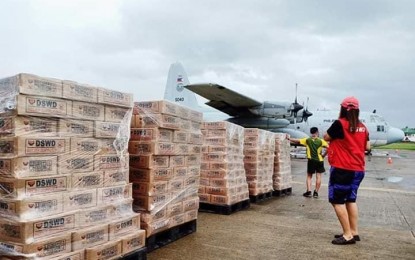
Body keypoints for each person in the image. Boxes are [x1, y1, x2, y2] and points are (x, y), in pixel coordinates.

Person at [323, 96, 370, 245]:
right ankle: (354, 231)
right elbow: (367, 147)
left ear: (342, 109)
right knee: (350, 199)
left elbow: (326, 137)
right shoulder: (364, 127)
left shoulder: (339, 124)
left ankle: (347, 234)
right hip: (358, 170)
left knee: (337, 201)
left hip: (343, 169)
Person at [289, 127, 328, 198]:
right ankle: (316, 192)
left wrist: (289, 138)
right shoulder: (321, 141)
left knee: (309, 176)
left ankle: (309, 191)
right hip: (320, 160)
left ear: (311, 133)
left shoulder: (307, 140)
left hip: (311, 160)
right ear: (317, 132)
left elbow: (297, 141)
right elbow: (329, 147)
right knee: (318, 176)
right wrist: (323, 155)